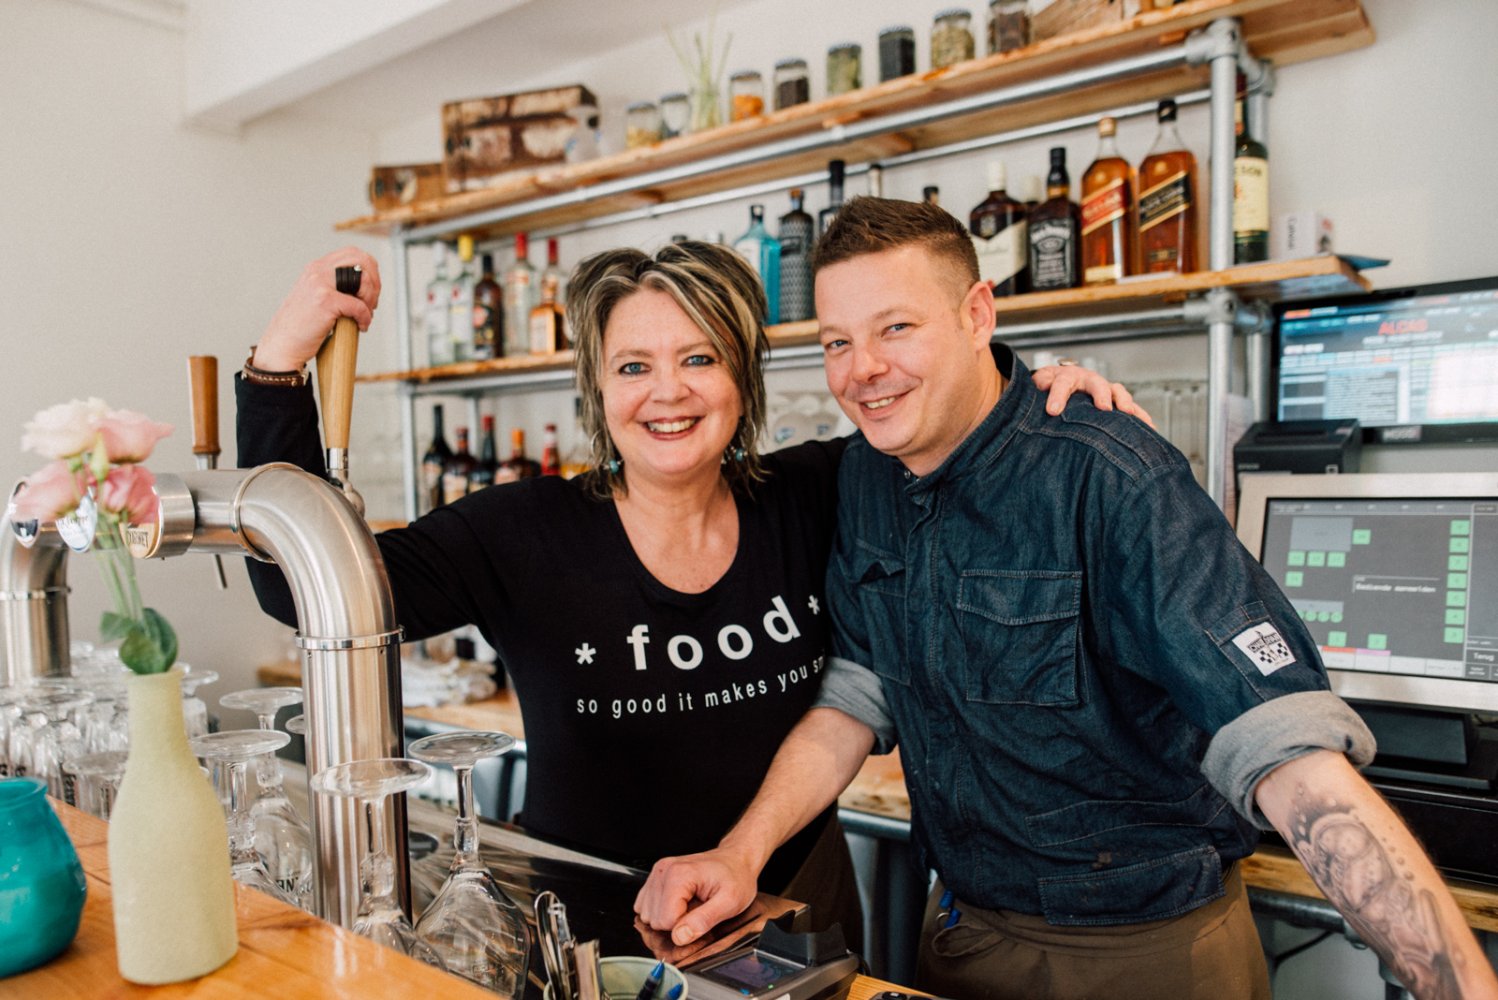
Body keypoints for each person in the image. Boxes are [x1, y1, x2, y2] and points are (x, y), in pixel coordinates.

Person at [634, 198, 1498, 1000]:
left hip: (1142, 955)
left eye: (896, 327)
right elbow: (857, 696)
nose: (864, 369)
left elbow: (1280, 741)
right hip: (962, 934)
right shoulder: (866, 475)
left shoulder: (1109, 473)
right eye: (836, 342)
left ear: (977, 315)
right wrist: (741, 855)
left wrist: (1456, 987)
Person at [235, 239, 1138, 946]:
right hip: (592, 928)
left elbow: (946, 425)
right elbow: (297, 584)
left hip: (796, 912)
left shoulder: (819, 491)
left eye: (700, 358)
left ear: (743, 377)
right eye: (633, 366)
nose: (667, 393)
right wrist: (277, 366)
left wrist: (1039, 393)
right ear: (597, 387)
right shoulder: (522, 531)